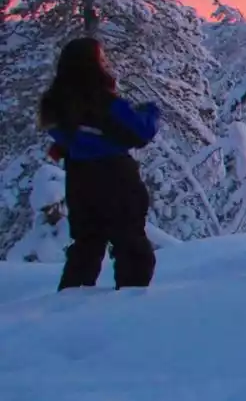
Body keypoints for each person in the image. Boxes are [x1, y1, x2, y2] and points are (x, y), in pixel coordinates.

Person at [39, 37, 160, 291]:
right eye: (101, 58)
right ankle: (132, 303)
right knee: (131, 246)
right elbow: (140, 134)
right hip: (116, 178)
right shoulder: (105, 104)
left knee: (86, 245)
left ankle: (68, 306)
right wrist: (150, 112)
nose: (106, 63)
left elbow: (73, 136)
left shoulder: (56, 106)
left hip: (79, 179)